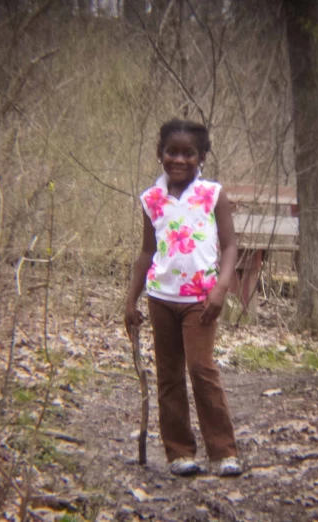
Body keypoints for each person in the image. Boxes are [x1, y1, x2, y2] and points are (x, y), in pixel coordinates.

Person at [124, 119, 242, 477]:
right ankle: (179, 452)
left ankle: (223, 452)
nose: (179, 159)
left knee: (201, 369)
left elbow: (231, 245)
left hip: (201, 301)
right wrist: (131, 300)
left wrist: (221, 287)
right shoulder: (151, 199)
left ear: (201, 156)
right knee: (169, 375)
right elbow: (147, 253)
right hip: (160, 298)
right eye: (171, 152)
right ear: (160, 154)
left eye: (188, 153)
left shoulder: (212, 194)